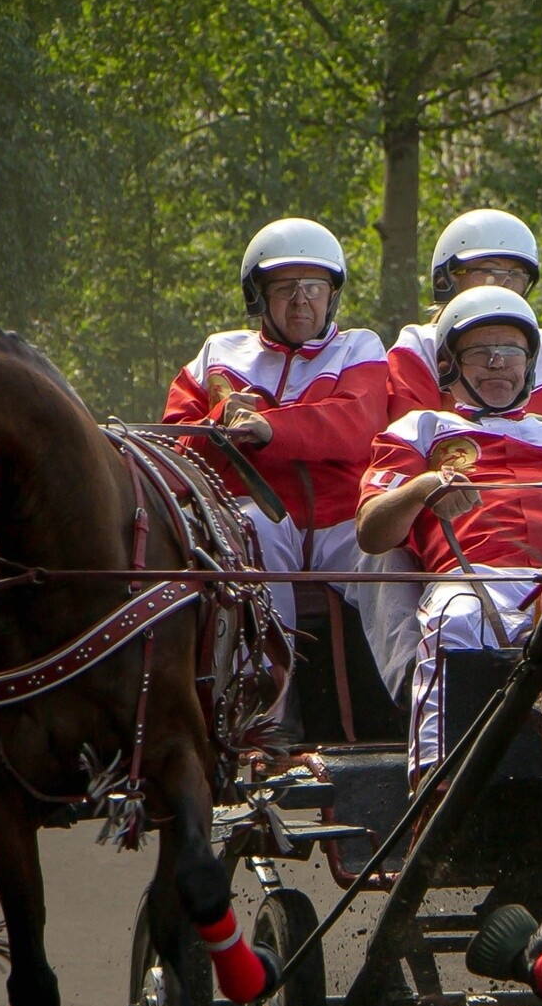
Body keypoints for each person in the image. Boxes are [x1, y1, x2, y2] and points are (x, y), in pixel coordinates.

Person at [357, 287, 542, 776]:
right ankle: (436, 786)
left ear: (530, 365)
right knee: (458, 615)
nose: (498, 363)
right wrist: (424, 488)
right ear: (449, 367)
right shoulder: (419, 429)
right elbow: (373, 533)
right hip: (475, 582)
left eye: (512, 351)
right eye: (480, 352)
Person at [163, 216, 403, 743]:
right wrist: (217, 426)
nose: (301, 302)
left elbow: (357, 424)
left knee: (393, 553)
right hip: (263, 514)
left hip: (343, 520)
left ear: (331, 295)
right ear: (259, 297)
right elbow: (176, 444)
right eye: (286, 288)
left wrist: (270, 427)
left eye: (314, 288)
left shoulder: (360, 348)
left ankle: (409, 708)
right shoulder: (217, 354)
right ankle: (266, 715)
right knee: (250, 533)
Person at [383, 208, 542, 420]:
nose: (504, 284)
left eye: (516, 275)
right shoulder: (420, 347)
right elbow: (408, 434)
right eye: (489, 271)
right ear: (447, 279)